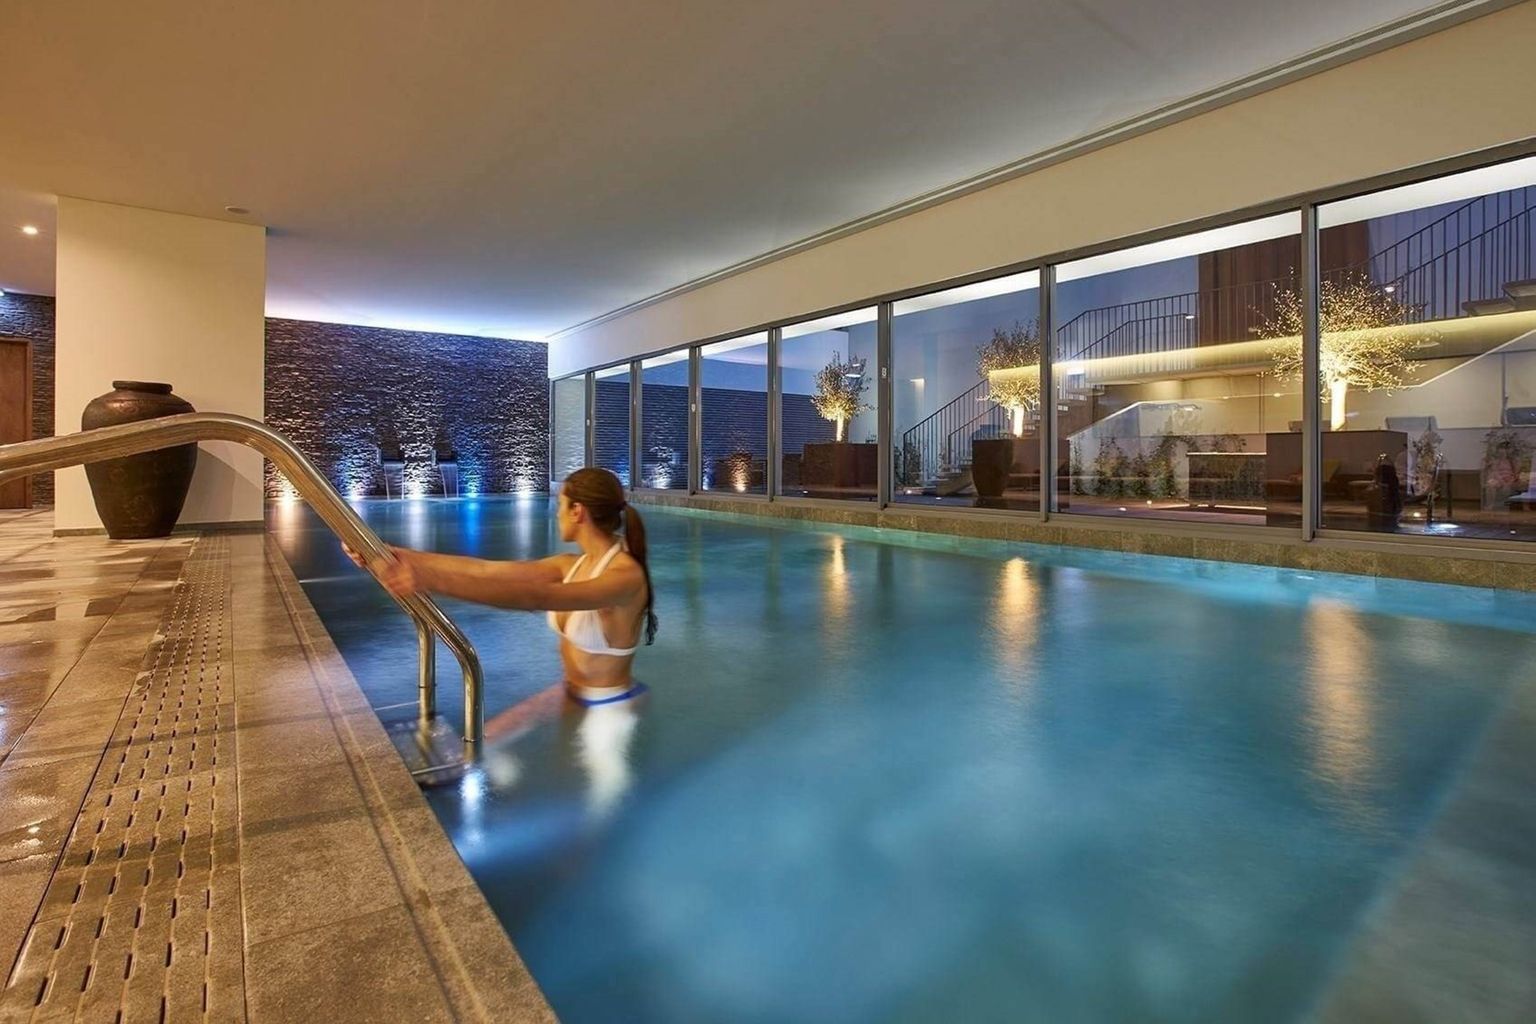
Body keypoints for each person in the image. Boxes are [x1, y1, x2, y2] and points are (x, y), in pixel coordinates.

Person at [349, 467, 657, 707]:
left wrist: (430, 580)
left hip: (610, 707)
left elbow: (537, 597)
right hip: (571, 694)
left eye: (561, 505)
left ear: (577, 511)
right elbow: (486, 570)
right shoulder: (571, 564)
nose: (557, 512)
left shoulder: (624, 577)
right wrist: (395, 555)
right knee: (491, 748)